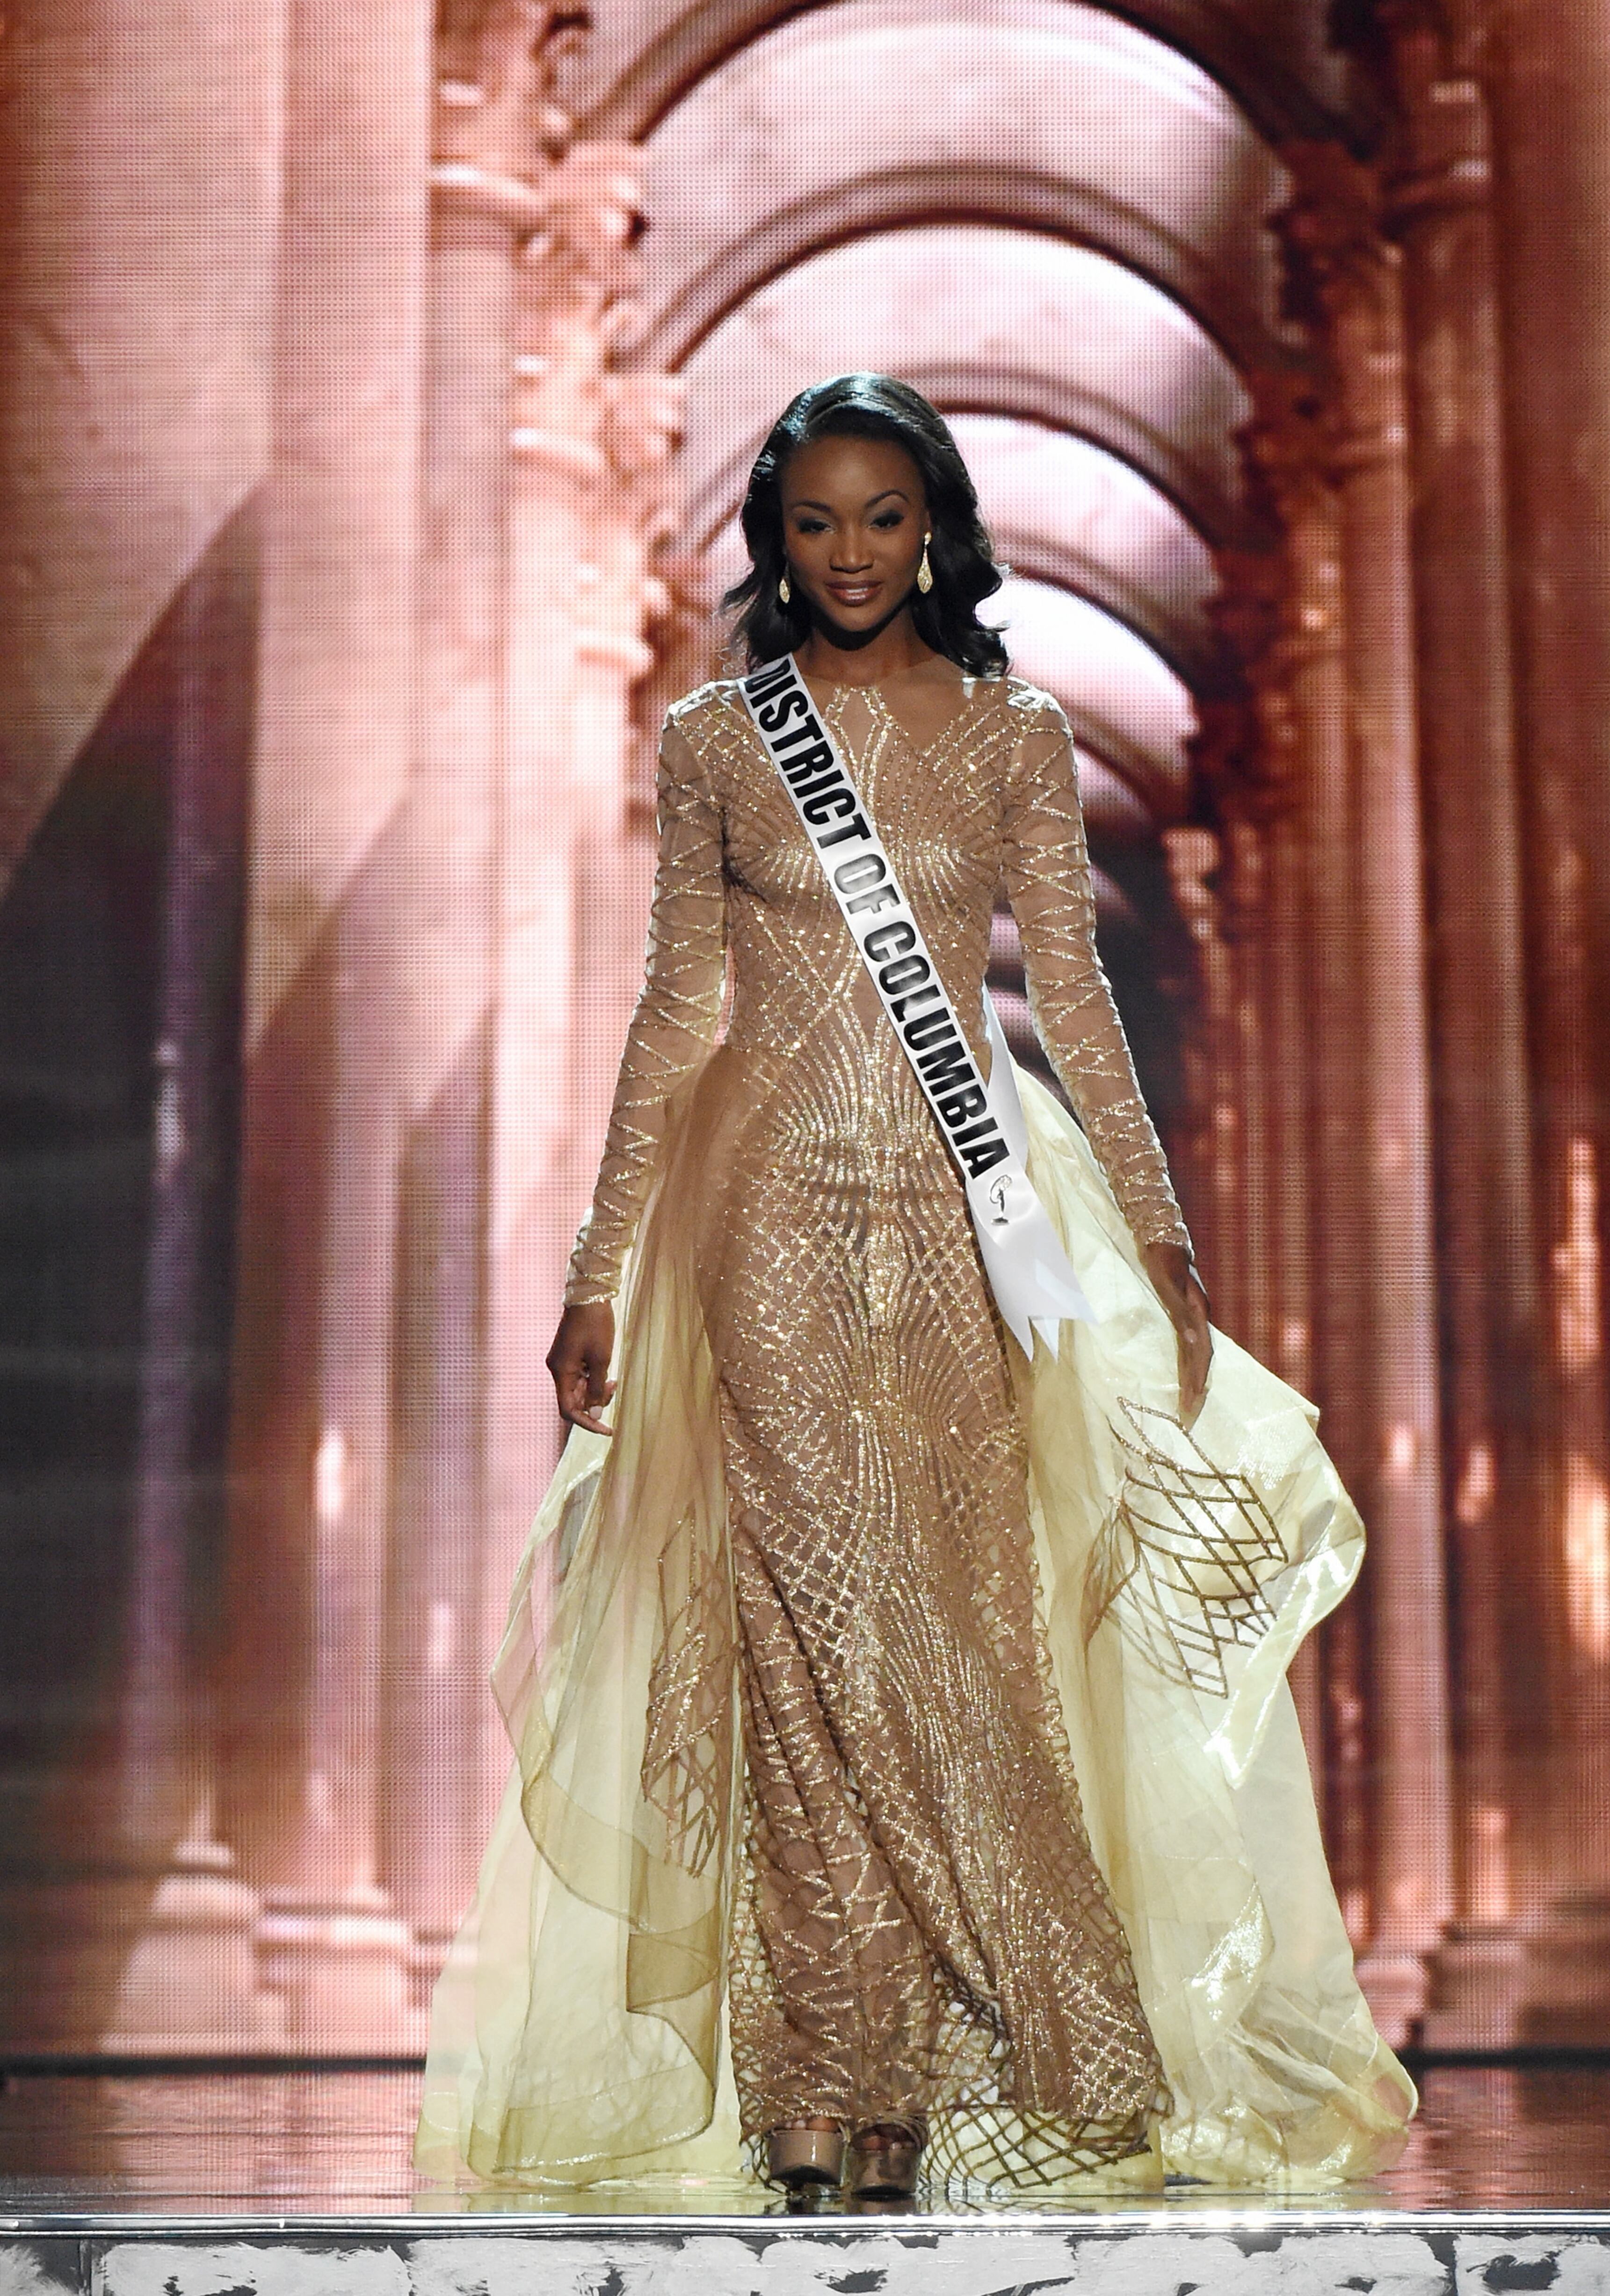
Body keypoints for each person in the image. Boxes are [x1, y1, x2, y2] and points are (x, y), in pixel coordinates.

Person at [415, 373, 1413, 2202]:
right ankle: (826, 2083)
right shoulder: (722, 740)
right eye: (815, 521)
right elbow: (672, 1012)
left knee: (959, 1628)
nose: (852, 553)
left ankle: (1004, 2021)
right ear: (774, 541)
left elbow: (1083, 1006)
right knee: (801, 1646)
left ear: (936, 529)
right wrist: (600, 1266)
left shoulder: (1017, 733)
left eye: (885, 518)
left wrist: (1163, 1231)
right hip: (765, 1214)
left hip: (971, 1217)